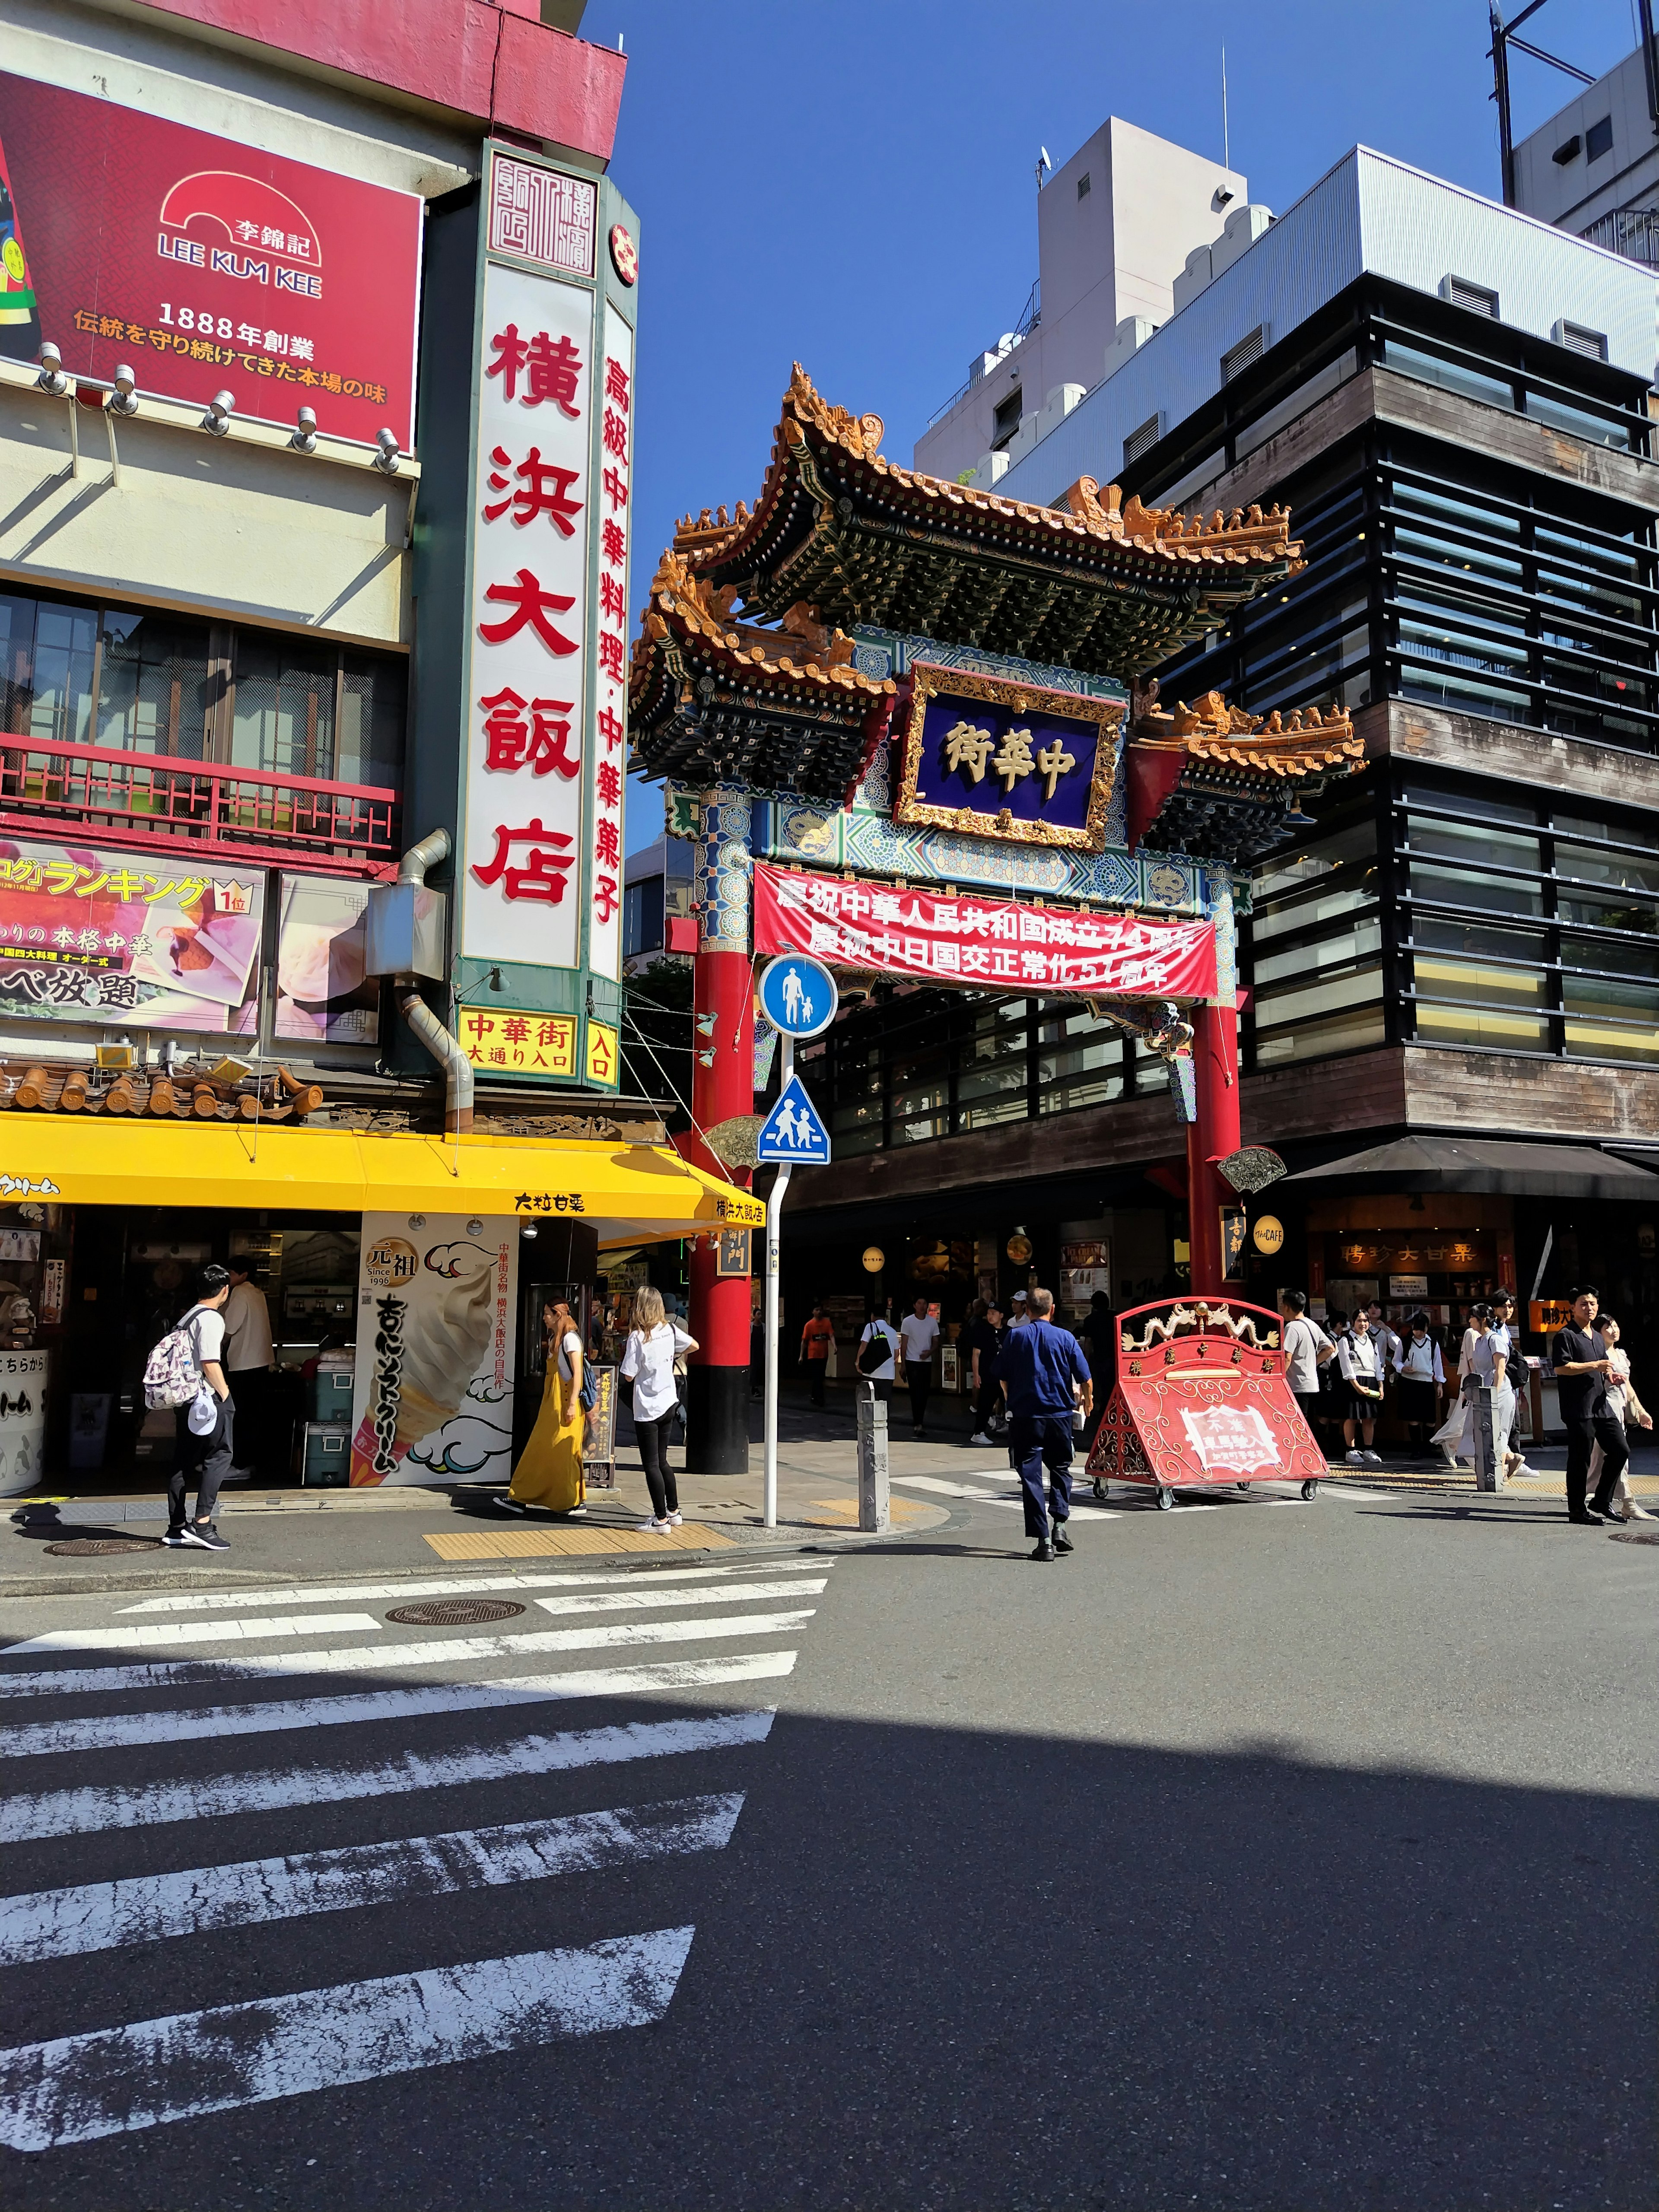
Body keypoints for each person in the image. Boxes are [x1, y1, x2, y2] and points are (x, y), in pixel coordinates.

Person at [991, 1286, 1091, 1561]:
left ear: (1028, 1310)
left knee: (1031, 1476)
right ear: (1053, 1309)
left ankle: (1043, 1540)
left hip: (1026, 1416)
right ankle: (1060, 1524)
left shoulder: (1015, 1337)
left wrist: (1011, 1398)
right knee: (1061, 1468)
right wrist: (1088, 1401)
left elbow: (1001, 1376)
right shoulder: (1066, 1337)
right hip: (1059, 1415)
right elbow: (1085, 1378)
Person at [163, 1263, 235, 1553]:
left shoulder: (188, 1317)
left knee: (183, 1460)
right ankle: (202, 1525)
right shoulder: (212, 1319)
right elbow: (209, 1362)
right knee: (220, 1455)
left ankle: (177, 1528)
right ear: (225, 1290)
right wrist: (226, 1396)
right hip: (205, 1398)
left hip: (184, 1398)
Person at [620, 1284, 698, 1532]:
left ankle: (660, 1519)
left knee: (651, 1463)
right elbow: (694, 1345)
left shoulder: (638, 1337)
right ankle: (674, 1511)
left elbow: (629, 1376)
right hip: (669, 1402)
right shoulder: (670, 1329)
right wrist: (670, 1356)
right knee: (663, 1460)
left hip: (648, 1407)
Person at [502, 1298, 587, 1517]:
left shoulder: (570, 1340)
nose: (544, 1318)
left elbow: (578, 1374)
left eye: (547, 1314)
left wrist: (571, 1406)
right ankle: (533, 1497)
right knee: (546, 1451)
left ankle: (565, 1501)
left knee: (561, 1453)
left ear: (558, 1315)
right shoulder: (556, 1339)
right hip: (554, 1404)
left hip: (566, 1403)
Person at [1549, 1287, 1625, 1525]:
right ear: (1572, 1307)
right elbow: (1561, 1368)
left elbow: (1602, 1369)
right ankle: (1577, 1510)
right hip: (1578, 1407)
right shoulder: (1566, 1335)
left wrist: (1610, 1377)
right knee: (1580, 1459)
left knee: (1620, 1450)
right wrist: (1594, 1365)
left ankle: (1602, 1500)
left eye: (1592, 1304)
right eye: (1583, 1304)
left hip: (1601, 1404)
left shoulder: (1597, 1337)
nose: (1589, 1308)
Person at [1586, 1314, 1654, 1522]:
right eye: (1608, 1327)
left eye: (1615, 1325)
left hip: (1620, 1410)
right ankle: (1628, 1503)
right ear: (1598, 1333)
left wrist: (1641, 1410)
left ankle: (1584, 1496)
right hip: (1603, 1410)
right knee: (1615, 1457)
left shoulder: (1621, 1354)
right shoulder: (1598, 1355)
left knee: (1604, 1460)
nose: (1614, 1330)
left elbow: (1628, 1386)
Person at [220, 1259, 275, 1483]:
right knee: (254, 1415)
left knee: (239, 1415)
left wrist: (216, 1344)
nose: (228, 1277)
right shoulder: (258, 1293)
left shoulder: (240, 1293)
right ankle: (250, 1463)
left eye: (231, 1273)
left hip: (243, 1363)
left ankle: (238, 1465)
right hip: (261, 1362)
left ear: (243, 1275)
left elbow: (230, 1327)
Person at [1489, 1292, 1537, 1480]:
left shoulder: (1504, 1328)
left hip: (1509, 1383)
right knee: (1506, 1424)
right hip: (1501, 1383)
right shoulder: (1493, 1328)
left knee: (1512, 1424)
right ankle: (1511, 1460)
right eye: (1504, 1306)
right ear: (1494, 1308)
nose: (1508, 1310)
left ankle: (1514, 1460)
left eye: (1510, 1307)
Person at [1278, 1290, 1335, 1443]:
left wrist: (1279, 1378)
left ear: (1288, 1307)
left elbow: (1287, 1358)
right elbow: (1330, 1348)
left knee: (1297, 1422)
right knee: (1308, 1423)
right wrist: (1312, 1364)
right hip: (1313, 1384)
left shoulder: (1292, 1327)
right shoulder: (1312, 1325)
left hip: (1296, 1385)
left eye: (1283, 1306)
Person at [1392, 1312, 1446, 1458]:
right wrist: (1403, 1368)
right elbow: (1396, 1361)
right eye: (1417, 1330)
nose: (1420, 1333)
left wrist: (1440, 1384)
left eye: (1423, 1330)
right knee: (1414, 1417)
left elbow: (1437, 1364)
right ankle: (1416, 1448)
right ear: (1412, 1328)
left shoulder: (1432, 1342)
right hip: (1410, 1382)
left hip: (1427, 1382)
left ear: (1428, 1328)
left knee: (1430, 1419)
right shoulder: (1404, 1342)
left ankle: (1427, 1447)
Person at [1335, 1308, 1384, 1464]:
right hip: (1353, 1381)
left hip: (1370, 1380)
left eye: (1365, 1321)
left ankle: (1368, 1449)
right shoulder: (1345, 1340)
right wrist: (1356, 1386)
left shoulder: (1372, 1341)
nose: (1363, 1324)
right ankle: (1351, 1450)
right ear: (1353, 1322)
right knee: (1352, 1417)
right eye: (1359, 1320)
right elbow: (1346, 1365)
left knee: (1369, 1418)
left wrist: (1381, 1385)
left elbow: (1378, 1365)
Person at [898, 1296, 940, 1438]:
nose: (922, 1306)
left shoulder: (932, 1322)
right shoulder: (908, 1322)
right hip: (912, 1360)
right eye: (919, 1303)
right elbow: (904, 1344)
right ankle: (918, 1422)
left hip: (926, 1362)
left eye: (925, 1304)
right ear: (915, 1305)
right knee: (915, 1392)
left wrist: (930, 1352)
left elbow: (936, 1341)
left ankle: (920, 1420)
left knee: (924, 1392)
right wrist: (903, 1364)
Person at [967, 1300, 1005, 1445]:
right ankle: (979, 1432)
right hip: (987, 1375)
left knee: (1010, 1405)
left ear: (1001, 1315)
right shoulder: (982, 1330)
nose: (990, 1316)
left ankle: (1014, 1431)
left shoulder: (1008, 1332)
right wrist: (976, 1375)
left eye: (994, 1314)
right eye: (989, 1313)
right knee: (985, 1405)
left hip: (1004, 1377)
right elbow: (976, 1354)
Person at [857, 1308, 900, 1404]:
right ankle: (884, 1419)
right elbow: (897, 1353)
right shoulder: (892, 1331)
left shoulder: (870, 1327)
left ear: (873, 1315)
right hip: (888, 1374)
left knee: (869, 1402)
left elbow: (864, 1345)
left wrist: (858, 1362)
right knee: (884, 1403)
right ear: (886, 1317)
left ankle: (871, 1420)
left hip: (871, 1373)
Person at [799, 1303, 835, 1408]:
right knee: (817, 1377)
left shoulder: (827, 1323)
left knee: (821, 1376)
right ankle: (818, 1398)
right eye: (817, 1310)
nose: (819, 1312)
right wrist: (801, 1356)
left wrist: (835, 1346)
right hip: (813, 1355)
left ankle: (816, 1397)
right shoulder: (809, 1325)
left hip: (824, 1354)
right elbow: (804, 1341)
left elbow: (831, 1335)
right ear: (813, 1312)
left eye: (820, 1310)